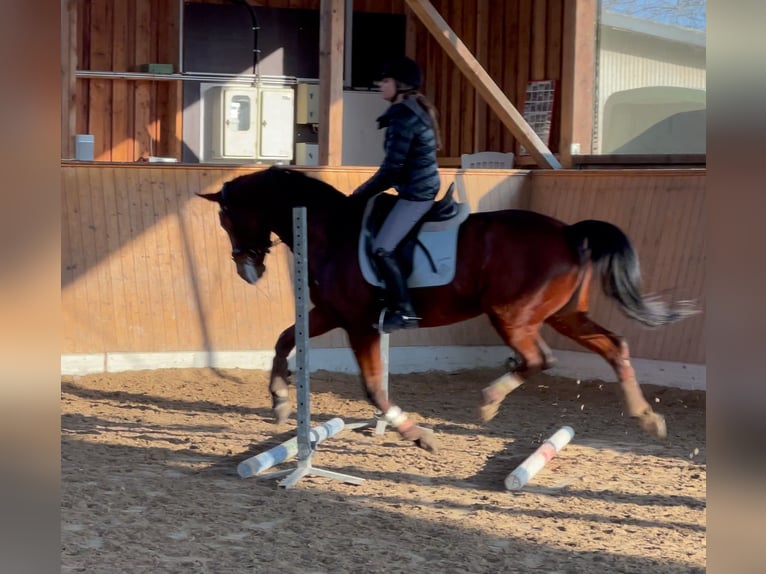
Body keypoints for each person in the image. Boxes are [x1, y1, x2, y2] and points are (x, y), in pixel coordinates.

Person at [351, 56, 442, 333]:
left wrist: (358, 195)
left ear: (401, 85)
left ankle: (404, 310)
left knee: (382, 247)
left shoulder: (404, 116)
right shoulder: (408, 111)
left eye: (386, 80)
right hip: (414, 187)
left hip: (417, 193)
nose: (380, 85)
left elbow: (391, 170)